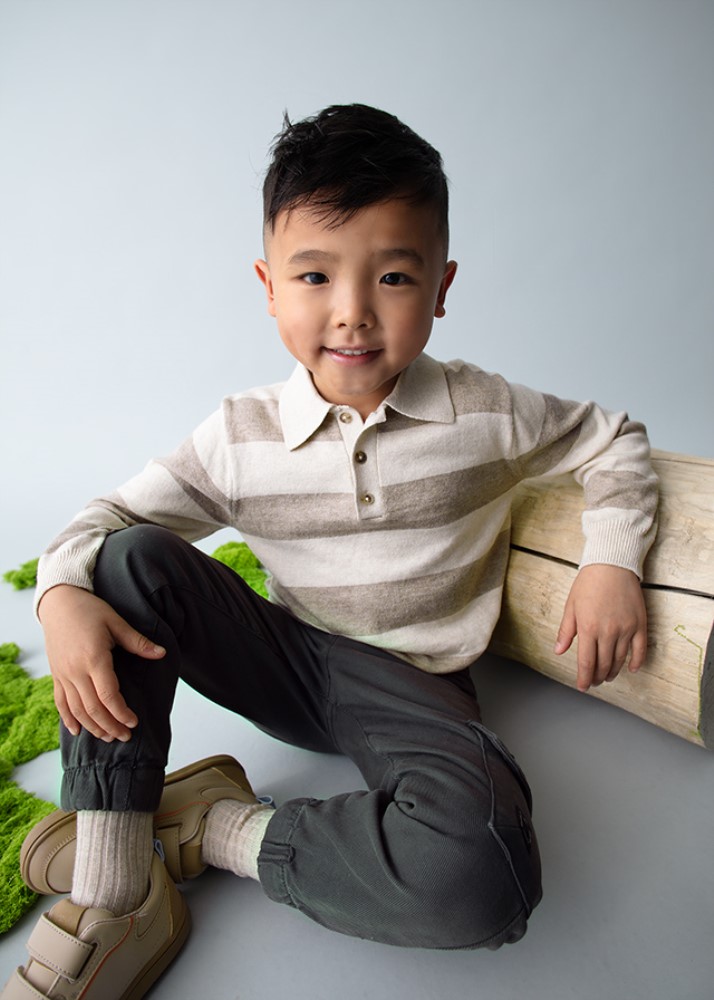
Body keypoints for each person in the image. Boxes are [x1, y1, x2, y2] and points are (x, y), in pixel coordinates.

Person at [3, 104, 657, 1000]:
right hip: (290, 661)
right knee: (126, 563)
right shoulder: (242, 435)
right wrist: (59, 597)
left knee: (486, 875)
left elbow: (613, 438)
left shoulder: (484, 413)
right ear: (270, 286)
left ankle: (214, 829)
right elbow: (100, 522)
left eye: (393, 276)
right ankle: (114, 886)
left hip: (416, 685)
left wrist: (611, 560)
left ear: (441, 286)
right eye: (314, 275)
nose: (351, 314)